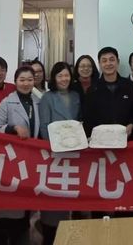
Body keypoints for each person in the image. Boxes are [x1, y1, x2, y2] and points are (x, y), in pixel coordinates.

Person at [0, 65, 39, 244]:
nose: (26, 83)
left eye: (30, 80)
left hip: (31, 161)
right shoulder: (7, 102)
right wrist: (13, 128)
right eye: (22, 80)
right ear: (15, 81)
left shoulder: (38, 101)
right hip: (10, 161)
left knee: (24, 208)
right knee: (6, 210)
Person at [37, 62, 80, 244]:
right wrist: (58, 145)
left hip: (76, 153)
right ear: (54, 78)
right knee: (54, 205)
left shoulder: (76, 95)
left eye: (67, 75)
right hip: (55, 155)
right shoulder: (47, 97)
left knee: (74, 201)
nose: (64, 79)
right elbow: (44, 126)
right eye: (60, 75)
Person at [82, 47, 133, 139]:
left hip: (127, 139)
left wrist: (132, 124)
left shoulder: (129, 85)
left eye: (112, 60)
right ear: (99, 64)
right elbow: (88, 119)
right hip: (101, 140)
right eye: (104, 61)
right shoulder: (92, 90)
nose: (108, 63)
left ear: (118, 62)